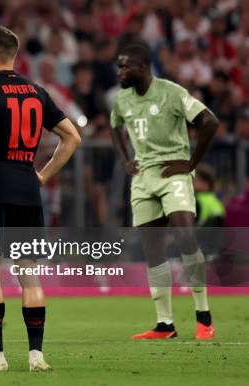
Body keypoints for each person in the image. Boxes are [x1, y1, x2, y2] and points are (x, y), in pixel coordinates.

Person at [0, 26, 81, 372]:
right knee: (29, 274)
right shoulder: (37, 92)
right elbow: (72, 138)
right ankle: (36, 356)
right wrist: (42, 175)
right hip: (27, 188)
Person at [110, 44, 219, 340]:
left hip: (174, 173)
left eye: (125, 67)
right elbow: (115, 127)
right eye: (118, 67)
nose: (119, 72)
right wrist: (124, 158)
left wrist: (191, 162)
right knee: (153, 249)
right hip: (143, 177)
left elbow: (209, 121)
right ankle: (165, 324)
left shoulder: (172, 92)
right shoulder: (122, 101)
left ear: (143, 68)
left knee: (185, 235)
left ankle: (203, 315)